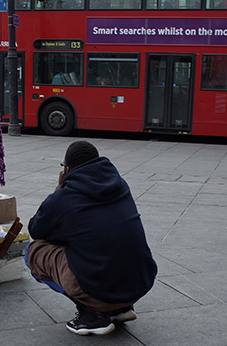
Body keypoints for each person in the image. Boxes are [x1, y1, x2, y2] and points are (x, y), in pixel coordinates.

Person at [25, 141, 157, 336]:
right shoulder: (120, 185)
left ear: (67, 169)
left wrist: (57, 190)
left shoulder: (64, 197)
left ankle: (92, 314)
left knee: (34, 251)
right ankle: (120, 309)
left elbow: (36, 229)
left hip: (101, 288)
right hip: (138, 284)